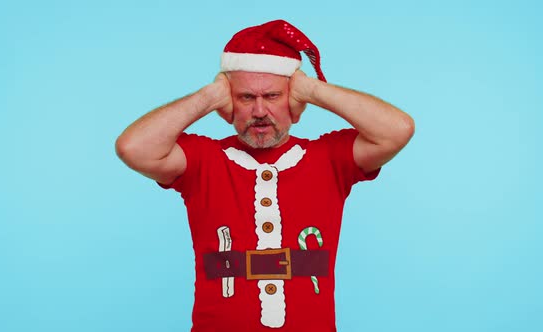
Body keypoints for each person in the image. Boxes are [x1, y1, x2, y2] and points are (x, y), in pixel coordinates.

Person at [116, 20, 414, 332]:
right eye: (246, 97)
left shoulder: (329, 157)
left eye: (272, 96)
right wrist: (209, 95)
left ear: (293, 101)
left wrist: (313, 89)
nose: (260, 111)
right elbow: (133, 148)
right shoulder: (201, 160)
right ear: (229, 102)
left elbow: (397, 130)